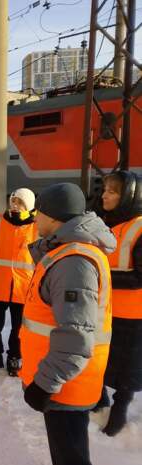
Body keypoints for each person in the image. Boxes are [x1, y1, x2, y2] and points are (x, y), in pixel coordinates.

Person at [19, 182, 115, 465]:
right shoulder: (68, 253)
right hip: (68, 381)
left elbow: (76, 336)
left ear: (54, 217)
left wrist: (45, 385)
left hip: (65, 386)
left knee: (70, 458)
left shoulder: (73, 262)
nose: (35, 217)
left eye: (40, 212)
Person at [95, 171, 142, 436]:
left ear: (129, 196)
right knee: (99, 357)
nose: (105, 195)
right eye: (105, 190)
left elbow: (140, 277)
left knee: (127, 366)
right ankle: (99, 397)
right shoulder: (106, 225)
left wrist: (101, 276)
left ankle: (121, 407)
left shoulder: (140, 227)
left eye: (112, 191)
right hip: (104, 310)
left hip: (134, 314)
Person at [0, 188, 37, 376]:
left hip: (24, 289)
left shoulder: (38, 230)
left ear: (29, 206)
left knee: (19, 328)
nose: (15, 205)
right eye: (13, 201)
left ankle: (14, 356)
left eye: (20, 202)